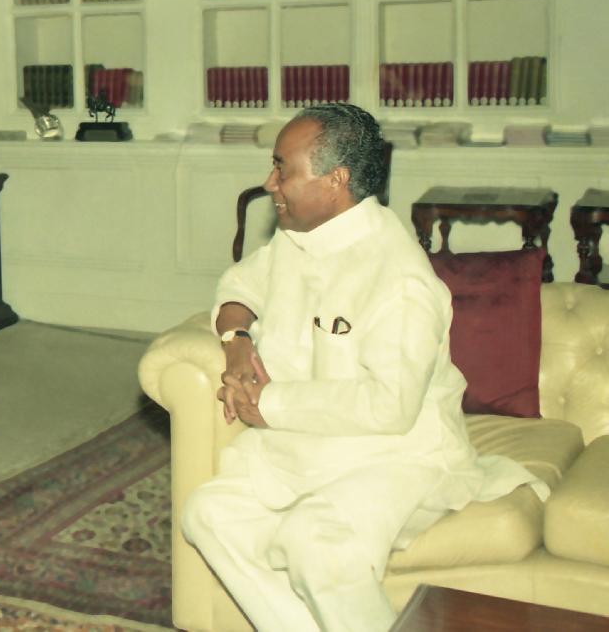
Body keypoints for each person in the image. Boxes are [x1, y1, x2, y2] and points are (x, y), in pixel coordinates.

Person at [181, 103, 544, 631]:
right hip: (307, 446)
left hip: (397, 454)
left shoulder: (399, 277)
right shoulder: (297, 235)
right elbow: (241, 284)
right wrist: (236, 341)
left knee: (316, 544)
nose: (269, 182)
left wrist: (269, 401)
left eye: (282, 167)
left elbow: (390, 406)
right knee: (207, 514)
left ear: (336, 180)